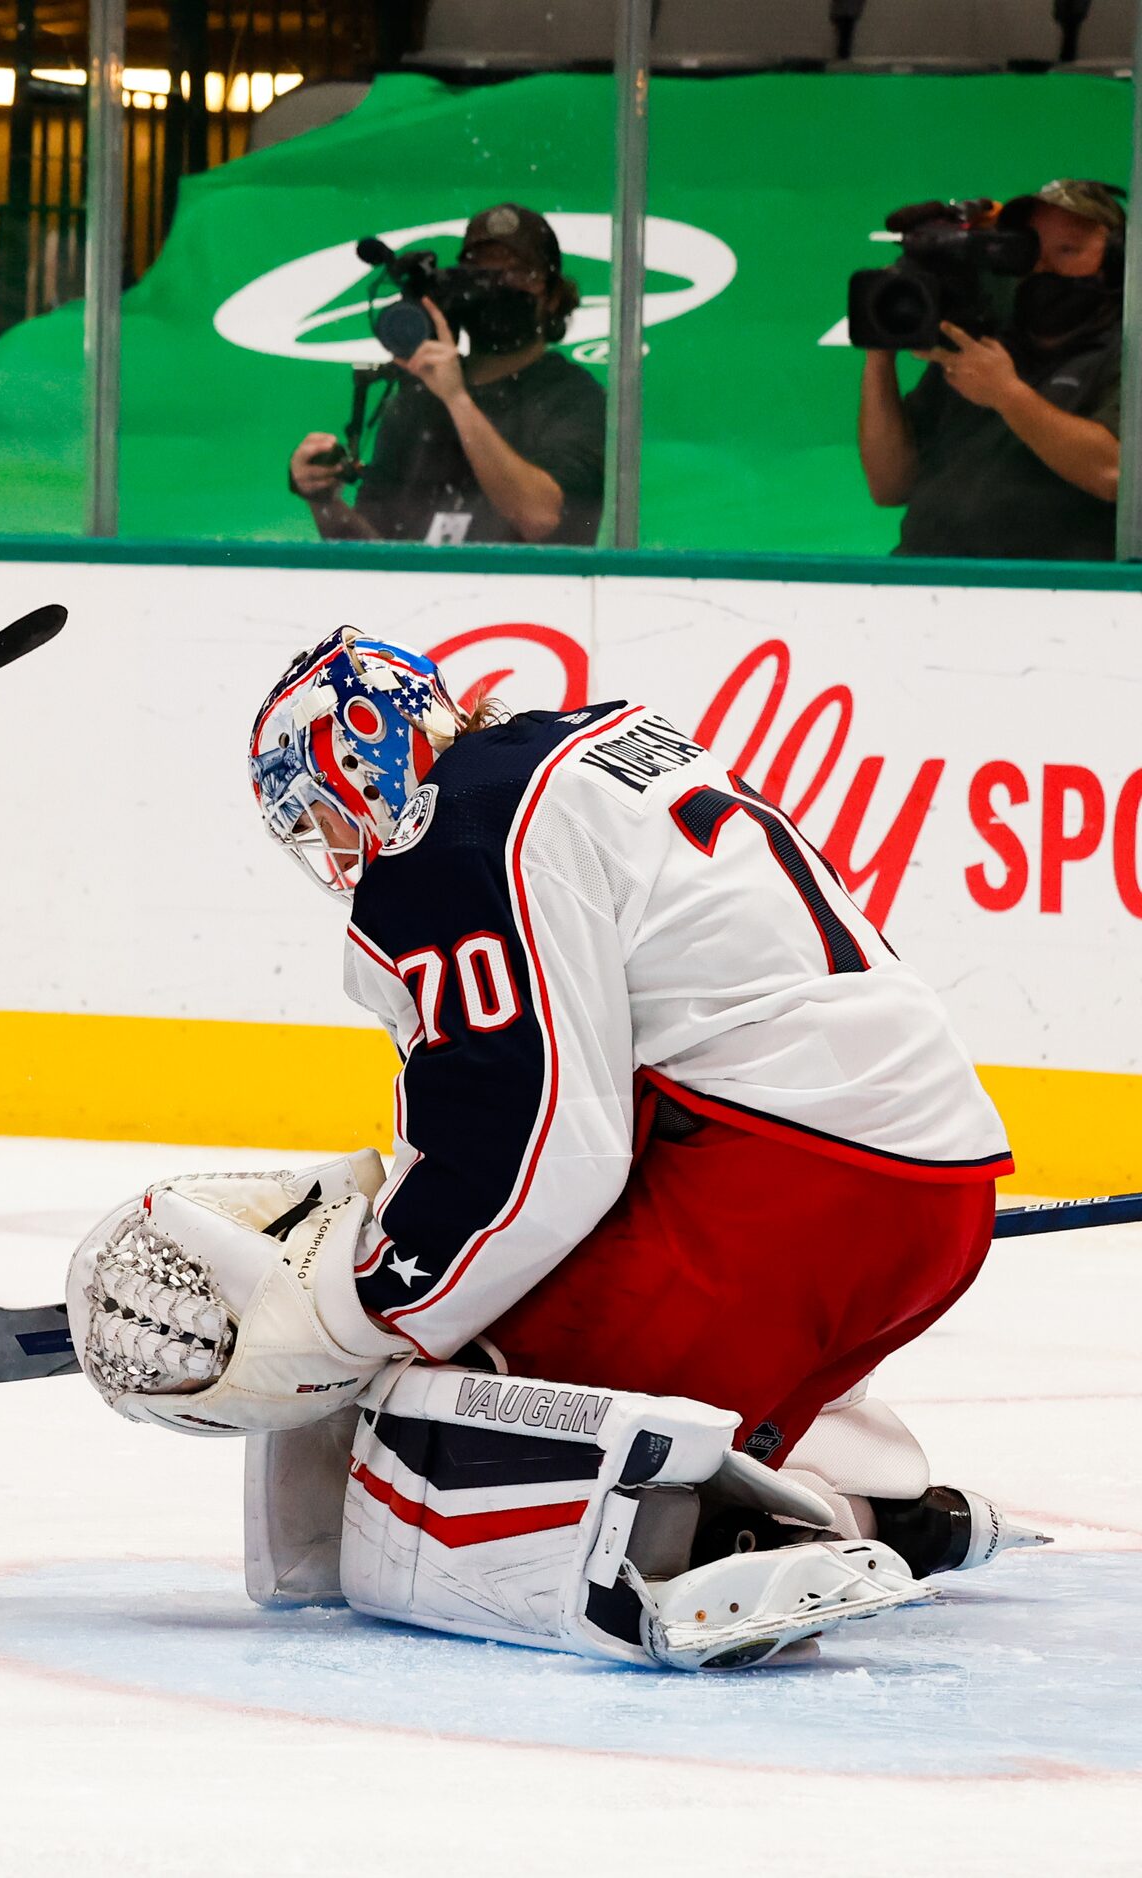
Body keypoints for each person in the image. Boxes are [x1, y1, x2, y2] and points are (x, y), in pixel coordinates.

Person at [66, 630, 1035, 1671]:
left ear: (368, 751)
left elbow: (536, 1156)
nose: (338, 849)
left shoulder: (455, 830)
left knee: (449, 1399)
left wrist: (358, 1310)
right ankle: (893, 1507)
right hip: (922, 1200)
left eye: (326, 810)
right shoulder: (594, 747)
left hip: (787, 1190)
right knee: (577, 1344)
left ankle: (752, 1540)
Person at [287, 204, 604, 546]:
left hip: (525, 598)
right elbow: (374, 552)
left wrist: (457, 400)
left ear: (554, 297)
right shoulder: (416, 404)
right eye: (480, 273)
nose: (495, 287)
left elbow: (540, 517)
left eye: (516, 274)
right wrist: (322, 501)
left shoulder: (575, 398)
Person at [857, 178, 1125, 561]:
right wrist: (880, 355)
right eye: (1030, 249)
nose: (1043, 265)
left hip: (1053, 596)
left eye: (1069, 249)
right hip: (920, 581)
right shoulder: (978, 343)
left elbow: (1113, 474)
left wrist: (1006, 394)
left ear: (1116, 261)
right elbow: (888, 486)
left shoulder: (1125, 355)